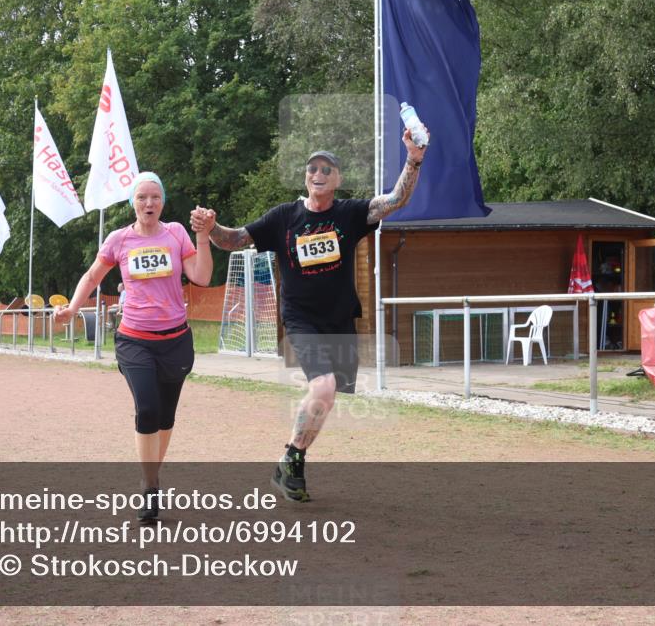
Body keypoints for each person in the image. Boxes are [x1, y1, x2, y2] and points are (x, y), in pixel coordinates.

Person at [191, 128, 428, 502]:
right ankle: (291, 458)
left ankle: (292, 462)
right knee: (324, 387)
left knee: (328, 397)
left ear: (338, 179)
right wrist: (209, 228)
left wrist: (414, 159)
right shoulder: (284, 217)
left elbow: (396, 199)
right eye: (311, 168)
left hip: (339, 321)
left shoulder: (349, 214)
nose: (318, 173)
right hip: (301, 319)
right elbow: (234, 239)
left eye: (326, 168)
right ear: (305, 177)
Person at [55, 171, 212, 523]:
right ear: (132, 203)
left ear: (163, 201)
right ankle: (151, 485)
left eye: (155, 197)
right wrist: (72, 308)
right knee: (147, 409)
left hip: (175, 340)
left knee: (166, 416)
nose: (149, 203)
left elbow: (201, 277)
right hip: (134, 339)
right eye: (141, 197)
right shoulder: (119, 240)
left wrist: (203, 236)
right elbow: (93, 276)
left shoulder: (177, 234)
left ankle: (151, 475)